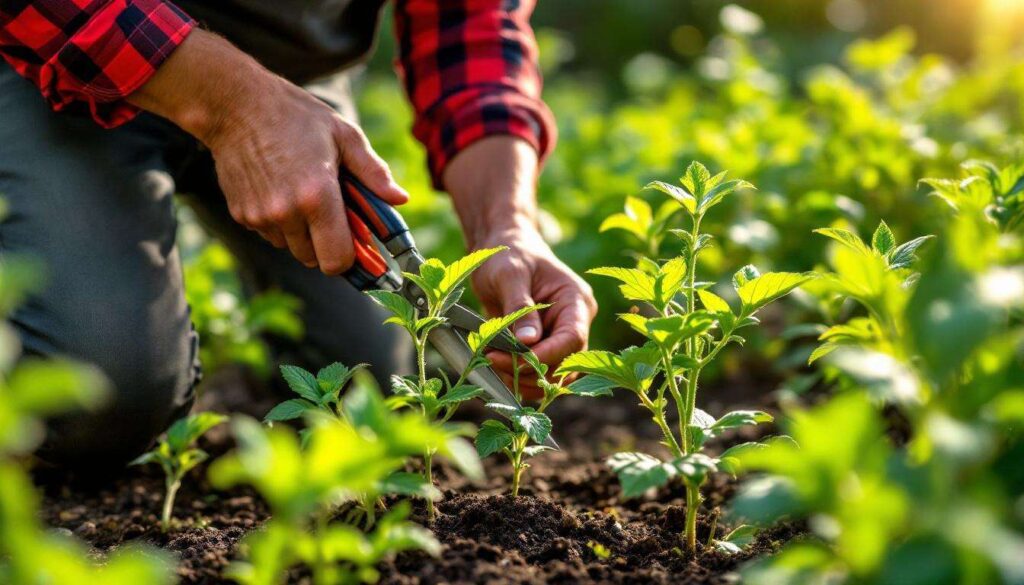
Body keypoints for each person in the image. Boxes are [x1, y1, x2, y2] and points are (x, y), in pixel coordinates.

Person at [0, 0, 596, 470]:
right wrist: (234, 105)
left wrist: (507, 224)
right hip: (54, 58)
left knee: (367, 380)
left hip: (292, 84)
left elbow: (469, 31)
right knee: (99, 396)